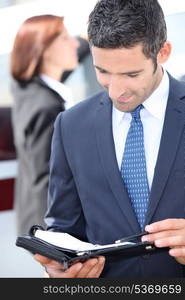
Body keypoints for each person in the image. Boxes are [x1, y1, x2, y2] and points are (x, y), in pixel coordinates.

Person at [34, 0, 185, 278]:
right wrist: (57, 270)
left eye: (131, 74)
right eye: (102, 71)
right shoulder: (71, 125)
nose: (116, 92)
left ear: (163, 52)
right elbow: (63, 227)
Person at [10, 14, 80, 235]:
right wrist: (55, 235)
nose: (75, 43)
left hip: (30, 214)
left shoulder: (26, 90)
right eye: (67, 39)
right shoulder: (47, 107)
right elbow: (49, 175)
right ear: (46, 49)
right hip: (48, 223)